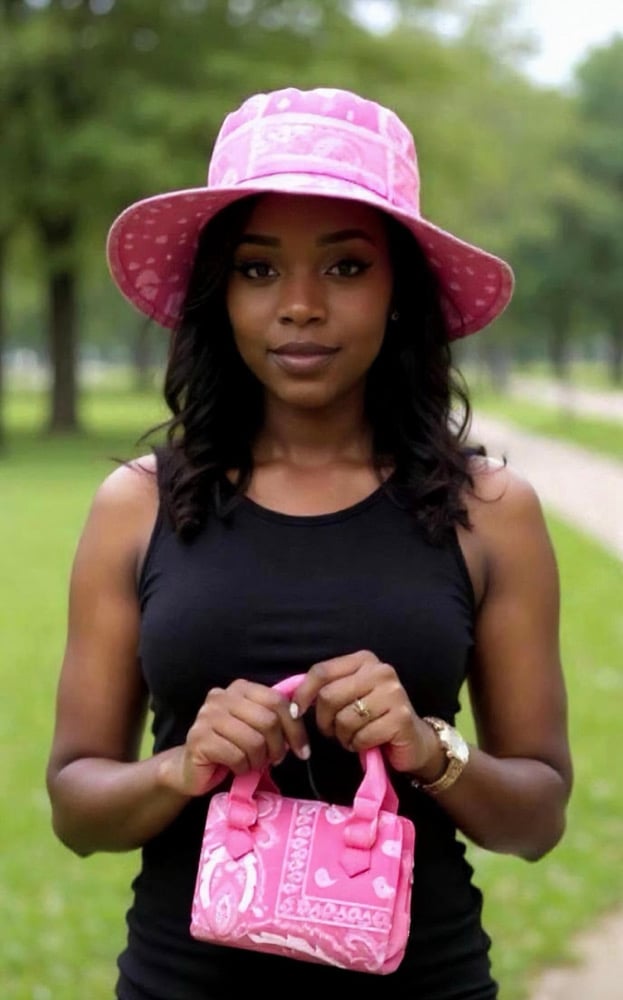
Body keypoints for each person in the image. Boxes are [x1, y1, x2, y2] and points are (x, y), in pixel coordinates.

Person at [46, 86, 572, 1000]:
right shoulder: (135, 508)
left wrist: (428, 747)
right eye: (257, 270)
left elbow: (536, 818)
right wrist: (181, 765)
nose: (297, 306)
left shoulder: (490, 511)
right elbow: (75, 806)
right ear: (218, 294)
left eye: (343, 268)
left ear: (399, 288)